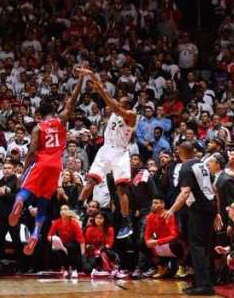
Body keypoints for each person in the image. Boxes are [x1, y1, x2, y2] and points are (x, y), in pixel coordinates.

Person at [9, 71, 84, 254]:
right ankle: (35, 232)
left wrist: (24, 172)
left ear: (41, 115)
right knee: (43, 200)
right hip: (56, 166)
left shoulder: (38, 127)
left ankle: (19, 203)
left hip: (41, 162)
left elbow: (33, 151)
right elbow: (72, 102)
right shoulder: (61, 121)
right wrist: (81, 79)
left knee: (24, 192)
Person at [78, 69, 138, 239]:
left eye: (123, 101)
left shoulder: (131, 115)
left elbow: (111, 102)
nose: (120, 102)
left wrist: (101, 88)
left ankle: (127, 221)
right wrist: (94, 78)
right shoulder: (114, 111)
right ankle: (78, 208)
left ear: (128, 105)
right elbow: (110, 101)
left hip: (120, 152)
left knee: (121, 188)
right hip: (106, 149)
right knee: (91, 180)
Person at [164, 141, 217, 296]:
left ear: (179, 152)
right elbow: (214, 188)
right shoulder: (202, 164)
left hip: (199, 209)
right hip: (209, 206)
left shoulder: (185, 167)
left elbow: (185, 192)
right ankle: (202, 281)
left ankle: (203, 285)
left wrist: (172, 210)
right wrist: (217, 212)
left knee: (197, 247)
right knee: (205, 247)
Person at [144, 197, 182, 278]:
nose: (153, 205)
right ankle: (161, 267)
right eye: (153, 203)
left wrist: (158, 241)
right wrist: (148, 241)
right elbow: (147, 233)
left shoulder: (169, 215)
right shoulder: (150, 217)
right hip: (160, 244)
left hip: (169, 243)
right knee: (143, 244)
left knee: (176, 244)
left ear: (162, 205)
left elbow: (174, 235)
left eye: (156, 203)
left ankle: (182, 266)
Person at [46, 205, 84, 278]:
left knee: (70, 246)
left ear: (69, 212)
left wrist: (83, 254)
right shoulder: (57, 222)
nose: (63, 211)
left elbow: (81, 239)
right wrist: (53, 239)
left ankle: (74, 269)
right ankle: (66, 269)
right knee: (59, 249)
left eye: (65, 209)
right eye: (61, 209)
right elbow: (49, 235)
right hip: (62, 243)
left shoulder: (74, 223)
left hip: (73, 243)